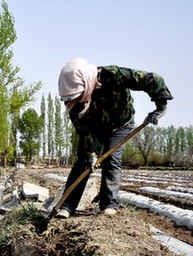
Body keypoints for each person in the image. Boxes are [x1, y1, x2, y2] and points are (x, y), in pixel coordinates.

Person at [55, 58, 173, 218]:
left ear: (85, 84)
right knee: (82, 162)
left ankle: (109, 205)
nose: (75, 101)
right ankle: (67, 206)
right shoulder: (75, 105)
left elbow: (151, 79)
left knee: (111, 159)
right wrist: (90, 154)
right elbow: (84, 131)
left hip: (121, 125)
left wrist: (161, 105)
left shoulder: (113, 75)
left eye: (78, 96)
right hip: (96, 129)